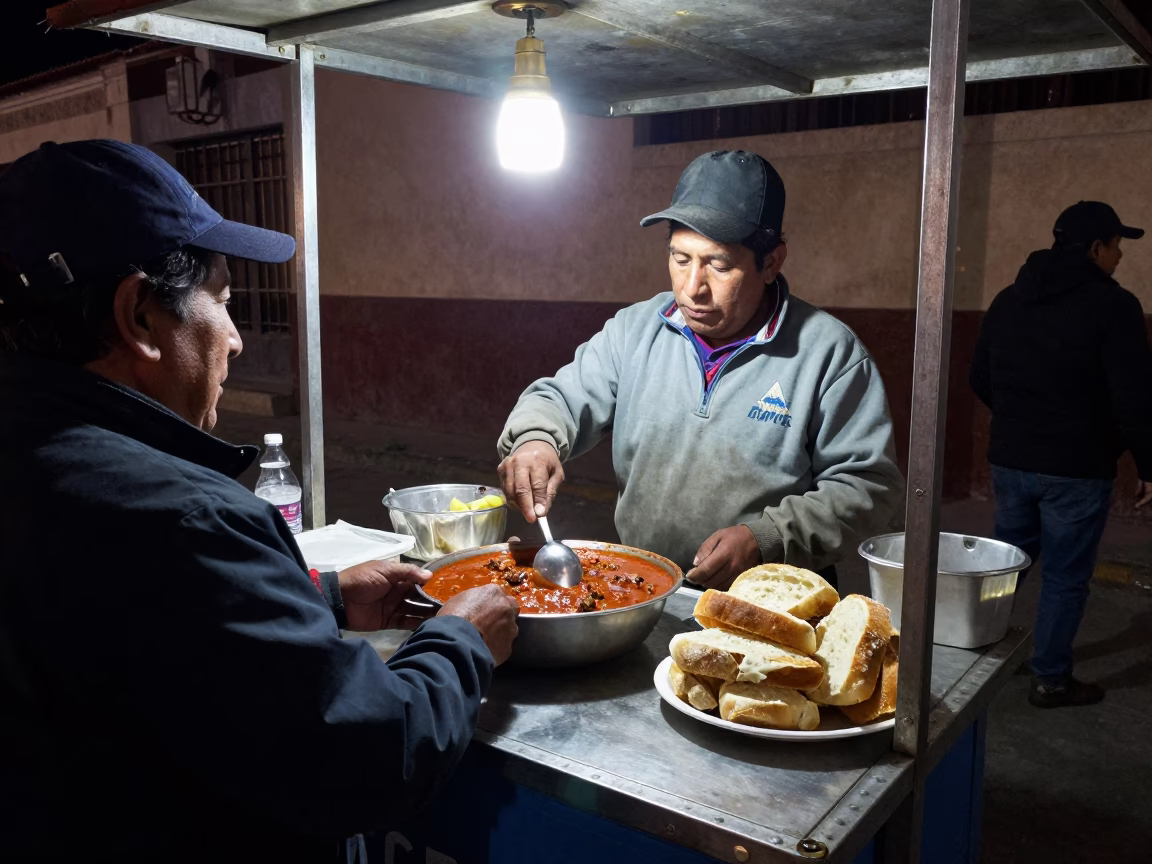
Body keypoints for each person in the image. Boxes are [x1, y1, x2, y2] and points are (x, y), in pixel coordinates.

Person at [0, 140, 520, 864]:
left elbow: (142, 627)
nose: (237, 339)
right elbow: (364, 759)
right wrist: (461, 637)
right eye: (222, 299)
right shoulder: (184, 518)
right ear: (140, 316)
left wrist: (323, 597)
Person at [497, 150, 903, 588]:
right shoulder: (634, 331)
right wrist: (536, 440)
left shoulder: (828, 353)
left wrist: (765, 538)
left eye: (719, 265)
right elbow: (558, 398)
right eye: (681, 258)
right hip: (646, 587)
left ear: (771, 262)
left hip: (772, 600)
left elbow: (867, 487)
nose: (693, 289)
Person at [970, 200, 1152, 710]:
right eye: (1117, 246)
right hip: (1076, 467)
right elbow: (1134, 396)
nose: (1120, 257)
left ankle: (975, 654)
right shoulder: (1115, 306)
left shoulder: (1010, 299)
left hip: (1011, 459)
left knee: (1008, 566)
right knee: (1066, 576)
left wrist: (1020, 423)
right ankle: (1050, 679)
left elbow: (979, 376)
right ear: (1096, 248)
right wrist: (1147, 464)